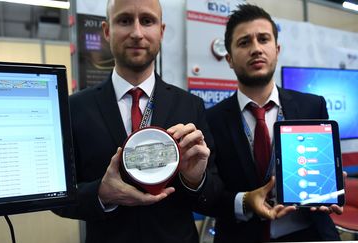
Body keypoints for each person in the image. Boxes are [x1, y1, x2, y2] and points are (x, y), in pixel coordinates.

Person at [53, 0, 223, 242]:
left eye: (147, 21)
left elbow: (213, 195)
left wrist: (195, 179)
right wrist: (101, 193)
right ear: (107, 30)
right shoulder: (76, 107)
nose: (136, 32)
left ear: (161, 31)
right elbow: (59, 198)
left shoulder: (190, 106)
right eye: (124, 21)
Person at [199, 4, 343, 242]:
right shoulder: (211, 120)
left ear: (276, 49)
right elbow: (207, 194)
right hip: (242, 236)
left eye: (263, 39)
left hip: (309, 234)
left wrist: (330, 187)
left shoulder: (311, 106)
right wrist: (244, 201)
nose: (256, 49)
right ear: (229, 59)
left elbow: (324, 171)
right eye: (244, 42)